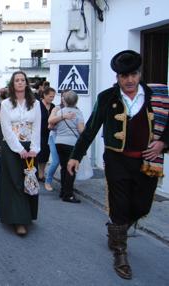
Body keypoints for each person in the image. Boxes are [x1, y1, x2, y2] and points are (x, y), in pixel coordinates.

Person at [67, 50, 169, 280]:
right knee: (119, 206)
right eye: (124, 76)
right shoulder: (107, 98)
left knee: (143, 207)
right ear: (117, 78)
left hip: (146, 162)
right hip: (117, 161)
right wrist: (75, 155)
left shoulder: (157, 96)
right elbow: (91, 128)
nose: (129, 80)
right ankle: (120, 253)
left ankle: (117, 232)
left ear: (139, 74)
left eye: (133, 74)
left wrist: (163, 142)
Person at [0, 71, 41, 236]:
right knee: (15, 182)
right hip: (12, 147)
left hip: (30, 147)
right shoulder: (6, 104)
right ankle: (18, 220)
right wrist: (19, 149)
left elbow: (37, 127)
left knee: (28, 180)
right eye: (17, 80)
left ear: (26, 83)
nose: (20, 82)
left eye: (23, 80)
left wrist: (34, 149)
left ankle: (27, 215)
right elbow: (6, 129)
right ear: (12, 84)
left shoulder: (35, 104)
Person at [49, 90, 84, 203]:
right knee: (71, 168)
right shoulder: (78, 113)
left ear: (64, 100)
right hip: (72, 144)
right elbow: (81, 130)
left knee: (64, 167)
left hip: (59, 142)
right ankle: (68, 194)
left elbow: (52, 126)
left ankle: (63, 191)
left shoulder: (60, 112)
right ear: (76, 101)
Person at [37, 87, 56, 181]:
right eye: (50, 96)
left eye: (53, 97)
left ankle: (41, 174)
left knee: (45, 154)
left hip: (49, 133)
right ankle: (35, 172)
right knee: (38, 154)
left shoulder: (53, 107)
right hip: (38, 133)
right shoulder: (37, 105)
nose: (52, 99)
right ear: (44, 95)